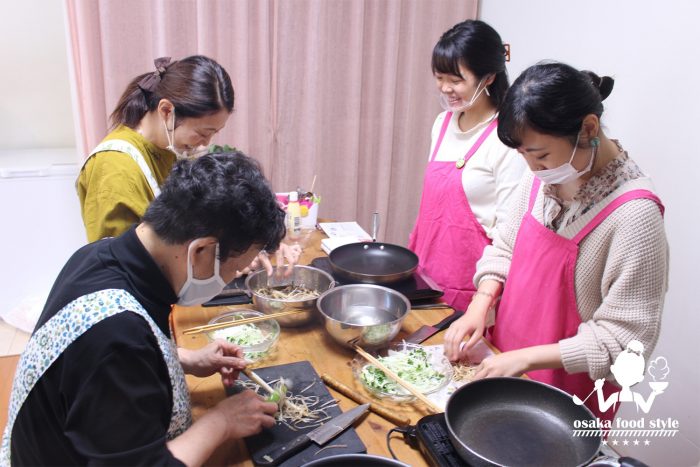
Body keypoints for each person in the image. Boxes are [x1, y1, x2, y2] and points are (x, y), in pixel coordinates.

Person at [2, 152, 287, 466]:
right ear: (202, 250)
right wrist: (222, 421)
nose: (232, 278)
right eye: (236, 269)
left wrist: (189, 358)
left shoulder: (98, 254)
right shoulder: (116, 336)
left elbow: (100, 366)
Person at [443, 62, 669, 421]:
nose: (533, 169)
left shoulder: (634, 216)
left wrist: (528, 358)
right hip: (505, 361)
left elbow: (626, 343)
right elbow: (505, 247)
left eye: (541, 155)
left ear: (589, 128)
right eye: (525, 156)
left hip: (565, 399)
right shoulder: (544, 176)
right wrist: (479, 304)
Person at [76, 55, 299, 273]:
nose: (206, 143)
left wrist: (249, 248)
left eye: (214, 133)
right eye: (202, 132)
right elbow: (123, 265)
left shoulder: (168, 151)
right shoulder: (114, 167)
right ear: (166, 111)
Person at [408, 20, 526, 311]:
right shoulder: (442, 123)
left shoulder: (506, 139)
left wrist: (485, 301)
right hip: (424, 276)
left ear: (487, 78)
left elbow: (508, 233)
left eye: (456, 80)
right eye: (439, 77)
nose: (445, 88)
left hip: (472, 287)